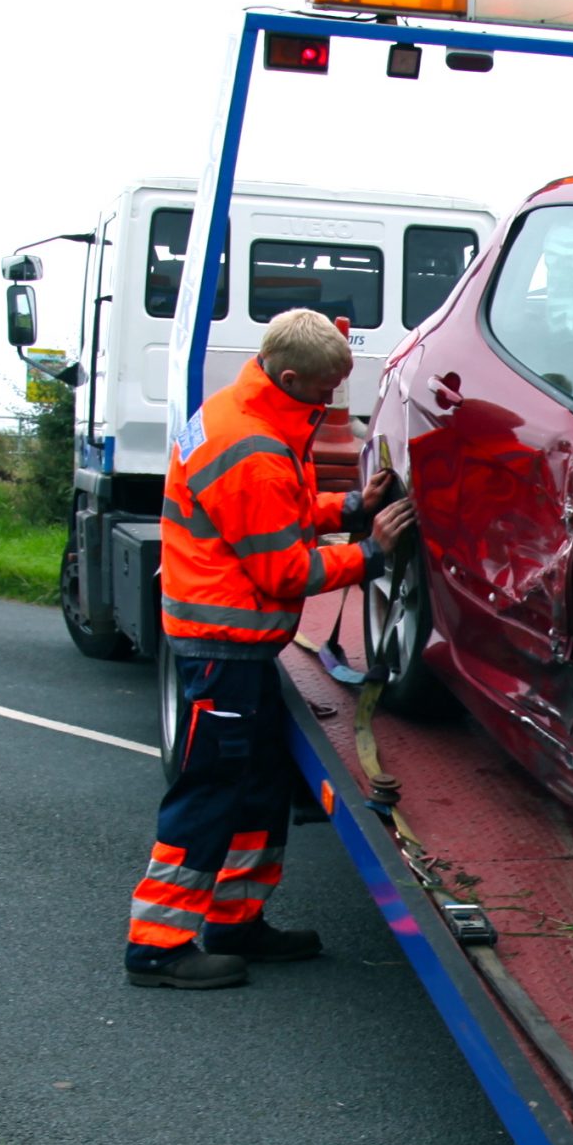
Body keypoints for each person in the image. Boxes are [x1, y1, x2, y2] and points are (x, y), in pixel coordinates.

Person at [125, 309, 412, 988]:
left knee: (257, 790)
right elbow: (285, 570)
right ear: (290, 376)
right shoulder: (252, 447)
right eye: (326, 387)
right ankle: (158, 944)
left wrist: (347, 509)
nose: (333, 399)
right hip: (223, 651)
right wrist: (371, 553)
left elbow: (275, 510)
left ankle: (236, 920)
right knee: (211, 794)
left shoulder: (244, 414)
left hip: (237, 648)